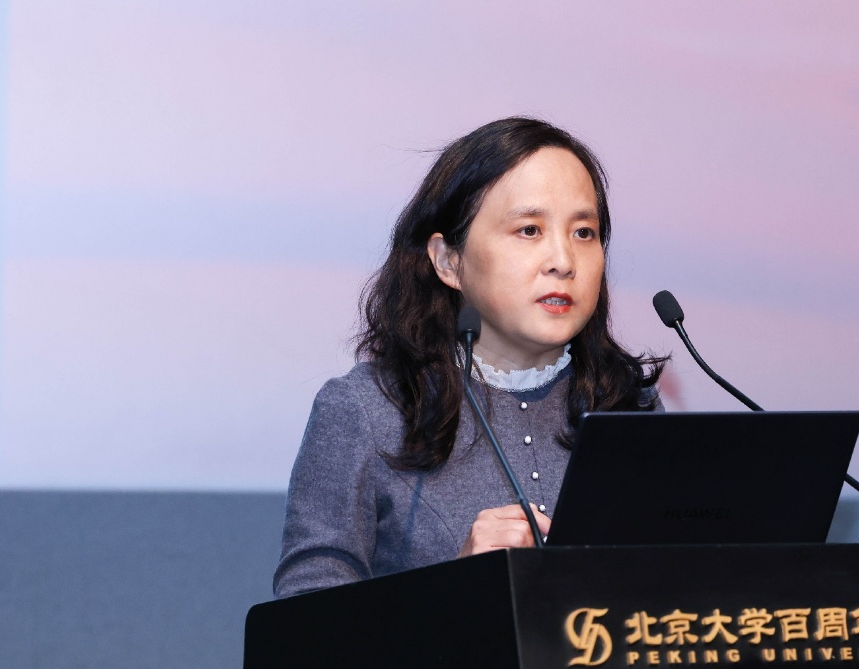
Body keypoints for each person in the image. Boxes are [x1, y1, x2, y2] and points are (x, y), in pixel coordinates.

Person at [273, 117, 665, 599]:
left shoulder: (630, 406)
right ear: (448, 261)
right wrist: (455, 590)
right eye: (529, 230)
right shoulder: (365, 410)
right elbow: (305, 614)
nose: (564, 261)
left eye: (584, 232)